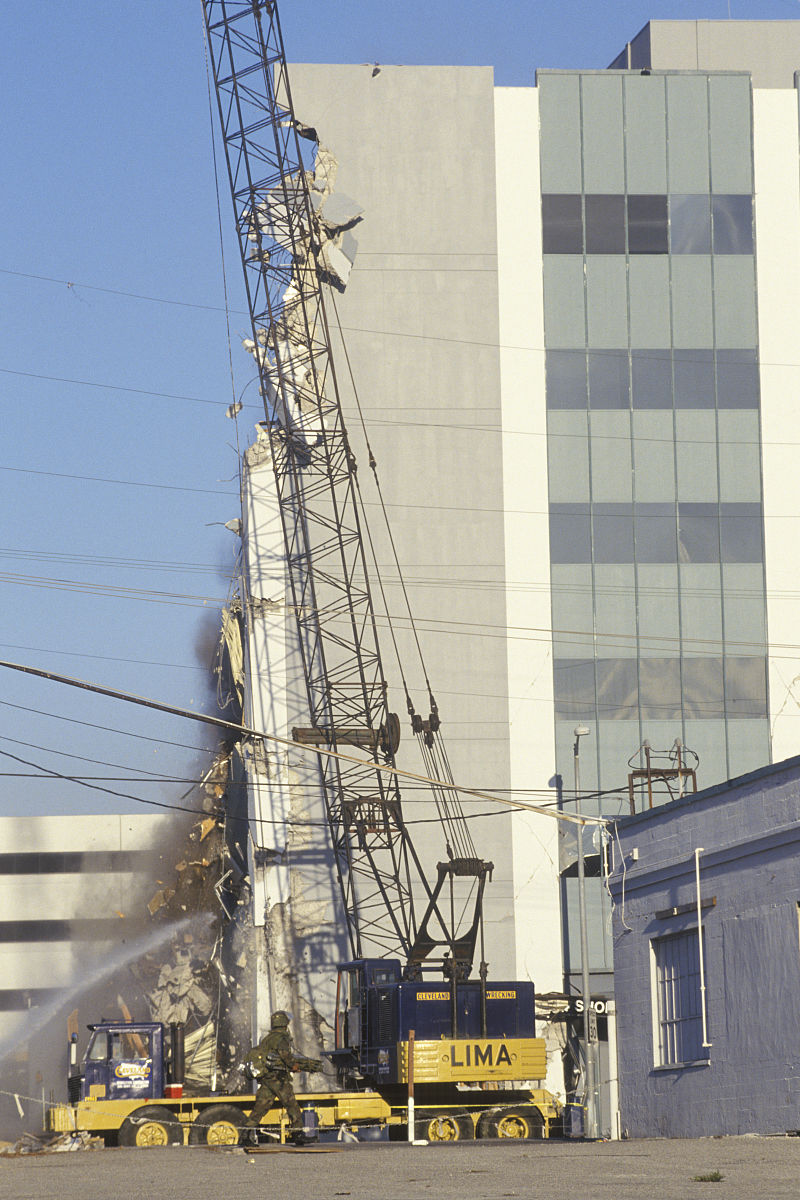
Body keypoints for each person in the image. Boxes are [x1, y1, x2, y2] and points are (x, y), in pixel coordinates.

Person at [241, 1010, 322, 1144]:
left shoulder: (268, 1038)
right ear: (284, 1023)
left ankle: (245, 1135)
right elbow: (285, 1055)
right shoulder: (281, 1038)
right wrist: (293, 1066)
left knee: (260, 1108)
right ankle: (298, 1135)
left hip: (267, 1079)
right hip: (278, 1079)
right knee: (292, 1106)